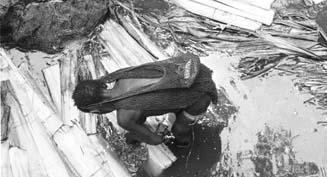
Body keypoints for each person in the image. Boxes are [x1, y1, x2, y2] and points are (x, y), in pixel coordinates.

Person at [72, 53, 218, 148]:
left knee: (179, 130)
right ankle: (180, 112)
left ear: (96, 110)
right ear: (102, 84)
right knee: (174, 108)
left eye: (97, 114)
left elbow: (156, 140)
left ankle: (186, 147)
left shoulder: (125, 117)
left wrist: (136, 136)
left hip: (200, 94)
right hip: (194, 71)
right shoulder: (122, 77)